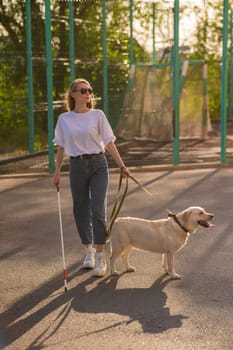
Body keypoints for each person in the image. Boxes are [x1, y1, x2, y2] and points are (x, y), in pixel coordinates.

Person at [53, 78, 131, 277]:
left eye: (89, 90)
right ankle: (88, 249)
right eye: (83, 90)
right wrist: (57, 171)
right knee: (80, 209)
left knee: (98, 209)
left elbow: (109, 142)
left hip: (98, 164)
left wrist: (122, 165)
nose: (87, 93)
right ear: (73, 94)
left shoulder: (98, 115)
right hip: (76, 165)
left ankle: (100, 255)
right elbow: (61, 147)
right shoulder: (64, 119)